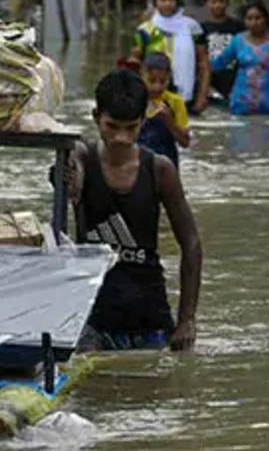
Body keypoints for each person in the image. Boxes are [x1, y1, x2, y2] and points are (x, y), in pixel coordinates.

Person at [67, 69, 201, 352]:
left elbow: (191, 244)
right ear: (96, 118)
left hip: (150, 318)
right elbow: (71, 162)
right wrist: (71, 177)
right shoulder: (82, 158)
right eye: (112, 126)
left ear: (143, 121)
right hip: (93, 322)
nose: (121, 138)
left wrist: (187, 320)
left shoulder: (160, 170)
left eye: (131, 128)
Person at [132, 0, 210, 114]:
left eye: (171, 0)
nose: (167, 4)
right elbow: (135, 64)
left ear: (177, 1)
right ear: (155, 2)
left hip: (187, 97)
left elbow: (203, 63)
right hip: (153, 95)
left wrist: (202, 97)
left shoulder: (192, 27)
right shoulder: (145, 30)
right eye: (163, 0)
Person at [212, 2, 269, 117]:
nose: (254, 22)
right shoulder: (238, 41)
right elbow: (219, 63)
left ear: (266, 20)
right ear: (244, 21)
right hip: (242, 105)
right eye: (249, 19)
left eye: (258, 18)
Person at [199, 0, 246, 104]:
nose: (218, 5)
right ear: (207, 4)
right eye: (213, 2)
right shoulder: (201, 28)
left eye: (221, 1)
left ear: (227, 3)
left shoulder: (238, 26)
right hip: (212, 80)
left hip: (234, 78)